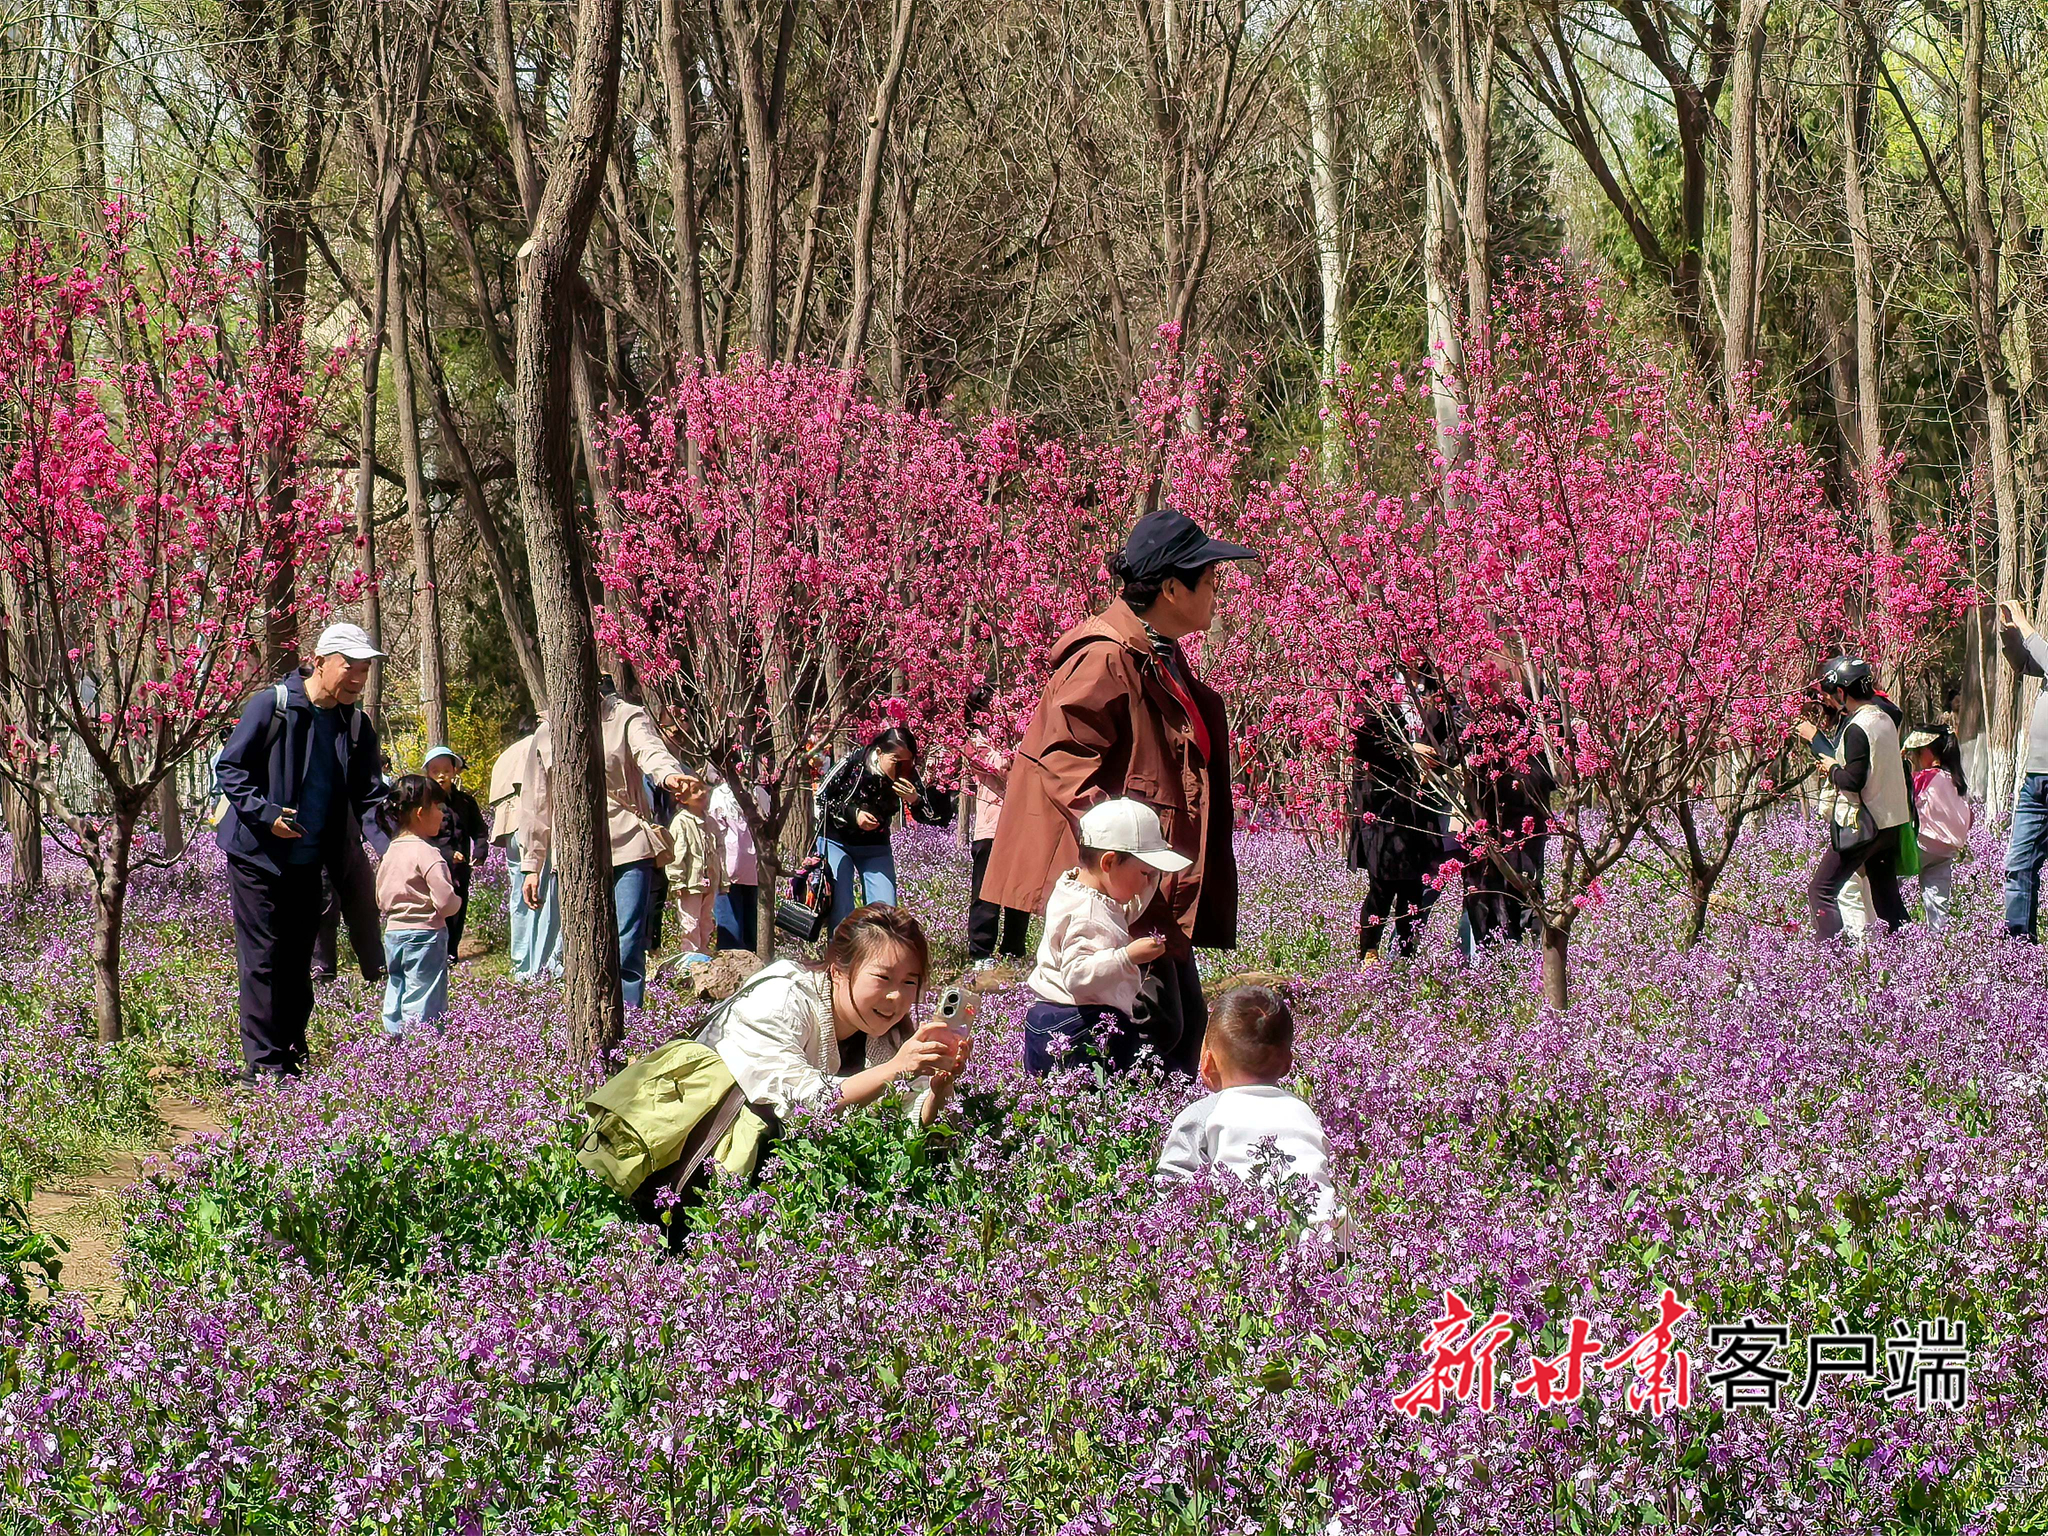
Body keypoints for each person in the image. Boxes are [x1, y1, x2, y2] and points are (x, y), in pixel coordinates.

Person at [984, 509, 1256, 1076]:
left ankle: (1161, 1150)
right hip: (1122, 891)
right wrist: (1124, 849)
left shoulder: (1160, 656)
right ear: (1171, 587)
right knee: (1156, 1040)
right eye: (1208, 580)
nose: (1216, 592)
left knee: (1177, 1031)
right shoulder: (1106, 656)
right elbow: (1061, 759)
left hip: (1146, 881)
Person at [213, 622, 391, 1082]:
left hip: (311, 864)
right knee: (263, 959)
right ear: (320, 659)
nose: (358, 677)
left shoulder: (355, 725)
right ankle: (263, 1064)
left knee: (297, 961)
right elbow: (231, 769)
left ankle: (289, 1052)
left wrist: (394, 847)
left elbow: (370, 796)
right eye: (350, 666)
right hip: (257, 858)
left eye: (365, 668)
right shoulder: (271, 706)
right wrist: (265, 812)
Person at [698, 905, 972, 1132]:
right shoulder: (781, 999)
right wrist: (895, 1069)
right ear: (839, 970)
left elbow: (902, 1122)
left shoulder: (886, 1033)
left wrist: (938, 1091)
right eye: (883, 978)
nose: (896, 997)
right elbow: (800, 1103)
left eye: (909, 982)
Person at [521, 684, 696, 1007]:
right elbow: (536, 803)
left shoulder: (627, 717)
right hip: (573, 852)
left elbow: (651, 752)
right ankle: (587, 1020)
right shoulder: (546, 734)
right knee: (582, 946)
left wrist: (671, 776)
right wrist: (532, 865)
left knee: (627, 944)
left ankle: (631, 1024)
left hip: (628, 845)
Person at [1154, 985, 1347, 1237]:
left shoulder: (1204, 1114)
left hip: (1253, 1242)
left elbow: (1172, 1186)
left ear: (1207, 1064)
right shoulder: (1304, 1111)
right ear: (1287, 1065)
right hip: (1327, 1237)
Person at [1021, 799, 1188, 1074]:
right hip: (1078, 1026)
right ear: (1109, 861)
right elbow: (1077, 975)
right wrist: (1127, 956)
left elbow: (1123, 912)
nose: (1147, 883)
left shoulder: (1077, 889)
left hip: (1051, 1020)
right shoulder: (1088, 912)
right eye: (1144, 873)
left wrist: (1153, 871)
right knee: (1096, 1103)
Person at [1796, 656, 1912, 938]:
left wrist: (1831, 767)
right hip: (1890, 823)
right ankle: (1909, 957)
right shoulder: (1884, 717)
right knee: (1887, 898)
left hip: (1863, 826)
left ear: (1841, 692)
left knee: (1822, 891)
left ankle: (1831, 961)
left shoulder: (1858, 726)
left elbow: (1852, 781)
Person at [1347, 676, 1451, 960]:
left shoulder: (1434, 686)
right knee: (1383, 885)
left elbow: (1453, 728)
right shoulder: (1372, 686)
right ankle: (1370, 954)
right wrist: (1409, 750)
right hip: (1384, 804)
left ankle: (1407, 958)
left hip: (1422, 803)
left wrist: (1440, 758)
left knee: (1415, 888)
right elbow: (1365, 740)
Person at [814, 725, 947, 932]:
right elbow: (822, 796)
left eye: (907, 761)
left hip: (875, 845)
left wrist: (915, 800)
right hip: (837, 840)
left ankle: (879, 959)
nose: (901, 767)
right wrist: (853, 814)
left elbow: (931, 816)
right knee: (842, 905)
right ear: (879, 753)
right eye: (895, 760)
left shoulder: (907, 774)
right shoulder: (854, 761)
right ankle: (841, 960)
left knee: (885, 910)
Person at [374, 774, 462, 1037]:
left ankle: (393, 1039)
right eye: (439, 807)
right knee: (424, 993)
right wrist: (456, 902)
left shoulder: (391, 852)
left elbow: (381, 897)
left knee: (397, 986)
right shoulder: (428, 853)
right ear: (421, 813)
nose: (443, 814)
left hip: (394, 933)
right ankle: (421, 1048)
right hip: (426, 935)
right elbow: (445, 902)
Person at [962, 688, 1031, 970]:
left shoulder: (1017, 736)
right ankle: (981, 953)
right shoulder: (973, 742)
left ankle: (1014, 950)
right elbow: (1001, 765)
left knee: (1019, 893)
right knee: (987, 893)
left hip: (1022, 824)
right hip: (991, 828)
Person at [490, 716, 562, 982]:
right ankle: (540, 967)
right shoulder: (536, 745)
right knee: (539, 897)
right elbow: (537, 797)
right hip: (528, 827)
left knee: (520, 899)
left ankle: (521, 965)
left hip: (506, 827)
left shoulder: (505, 755)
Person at [1999, 603, 2048, 939]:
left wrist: (2026, 624)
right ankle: (2018, 957)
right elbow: (2022, 663)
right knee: (2018, 867)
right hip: (2036, 781)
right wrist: (2010, 635)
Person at [421, 747, 490, 960]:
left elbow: (479, 829)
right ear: (428, 774)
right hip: (433, 869)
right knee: (437, 910)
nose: (441, 775)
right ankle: (435, 954)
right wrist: (448, 854)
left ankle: (451, 954)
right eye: (435, 771)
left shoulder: (466, 802)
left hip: (460, 870)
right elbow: (424, 837)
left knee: (458, 909)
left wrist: (480, 850)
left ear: (454, 771)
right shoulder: (425, 803)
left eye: (445, 770)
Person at [1905, 724, 1974, 929]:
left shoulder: (1923, 778)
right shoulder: (1957, 781)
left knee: (1890, 882)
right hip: (1946, 851)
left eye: (1917, 752)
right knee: (1937, 903)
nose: (1915, 757)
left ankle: (1893, 934)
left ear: (1927, 750)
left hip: (1922, 845)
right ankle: (1938, 948)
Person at [708, 764, 769, 953]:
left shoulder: (721, 794)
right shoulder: (760, 793)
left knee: (730, 921)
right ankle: (751, 959)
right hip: (755, 866)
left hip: (729, 865)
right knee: (751, 919)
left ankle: (734, 961)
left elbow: (714, 830)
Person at [667, 776, 723, 959]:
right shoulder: (681, 821)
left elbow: (719, 851)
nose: (701, 794)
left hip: (710, 880)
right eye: (694, 791)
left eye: (702, 789)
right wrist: (677, 881)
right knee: (690, 922)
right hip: (690, 882)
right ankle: (690, 958)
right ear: (682, 799)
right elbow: (677, 853)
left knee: (706, 921)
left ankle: (704, 954)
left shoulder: (711, 822)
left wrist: (723, 879)